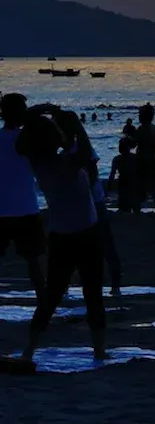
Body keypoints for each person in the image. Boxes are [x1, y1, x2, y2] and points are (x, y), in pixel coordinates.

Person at [15, 113, 108, 362]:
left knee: (52, 294)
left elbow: (35, 136)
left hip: (60, 235)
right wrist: (77, 126)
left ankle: (30, 350)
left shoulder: (39, 163)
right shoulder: (68, 161)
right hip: (86, 233)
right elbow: (87, 153)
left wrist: (45, 111)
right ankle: (99, 350)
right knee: (92, 293)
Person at [55, 110, 124, 296]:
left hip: (93, 202)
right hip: (82, 203)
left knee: (104, 244)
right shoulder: (66, 153)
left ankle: (115, 284)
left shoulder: (79, 150)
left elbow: (92, 175)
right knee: (77, 246)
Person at [0, 94, 47, 300]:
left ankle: (43, 299)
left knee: (33, 261)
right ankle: (43, 301)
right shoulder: (29, 140)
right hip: (26, 208)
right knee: (33, 261)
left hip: (4, 209)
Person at [132, 103, 155, 213]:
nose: (138, 116)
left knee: (138, 188)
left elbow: (133, 143)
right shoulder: (154, 128)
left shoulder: (141, 129)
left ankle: (137, 212)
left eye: (140, 114)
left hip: (144, 162)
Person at [108, 138, 140, 214]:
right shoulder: (134, 158)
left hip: (127, 183)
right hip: (129, 183)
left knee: (128, 206)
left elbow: (112, 174)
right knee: (133, 206)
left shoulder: (118, 159)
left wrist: (109, 186)